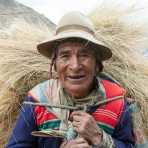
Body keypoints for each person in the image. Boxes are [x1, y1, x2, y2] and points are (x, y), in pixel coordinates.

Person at [6, 11, 135, 148]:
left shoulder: (116, 100)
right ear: (54, 65)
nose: (75, 66)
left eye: (84, 55)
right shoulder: (37, 100)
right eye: (65, 56)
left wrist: (99, 137)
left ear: (97, 65)